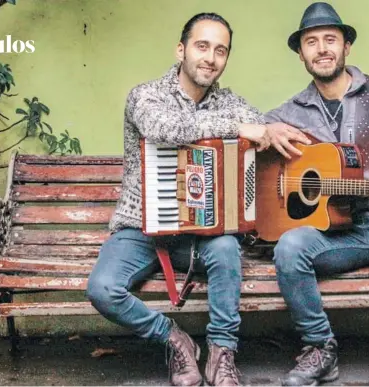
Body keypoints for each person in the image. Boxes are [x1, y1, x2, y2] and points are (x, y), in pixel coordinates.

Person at [86, 12, 273, 386]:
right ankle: (174, 339)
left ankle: (222, 353)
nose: (211, 57)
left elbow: (262, 128)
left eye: (221, 50)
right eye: (202, 46)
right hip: (141, 229)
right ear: (181, 50)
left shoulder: (230, 102)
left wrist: (270, 132)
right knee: (102, 289)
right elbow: (165, 128)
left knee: (226, 248)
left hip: (200, 236)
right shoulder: (146, 96)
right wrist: (237, 128)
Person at [262, 2, 369, 386]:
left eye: (330, 39)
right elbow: (248, 136)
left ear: (346, 47)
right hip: (338, 230)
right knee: (290, 247)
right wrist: (263, 132)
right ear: (301, 53)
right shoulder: (291, 111)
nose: (322, 48)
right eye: (312, 42)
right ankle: (320, 349)